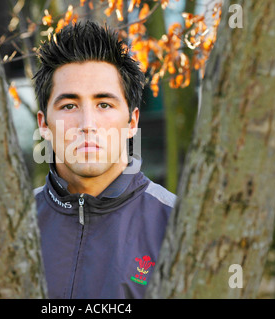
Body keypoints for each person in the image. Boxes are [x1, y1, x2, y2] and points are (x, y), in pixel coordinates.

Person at [32, 20, 176, 299]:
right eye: (69, 105)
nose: (88, 124)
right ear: (44, 124)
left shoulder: (177, 225)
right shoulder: (11, 225)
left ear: (132, 121)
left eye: (104, 105)